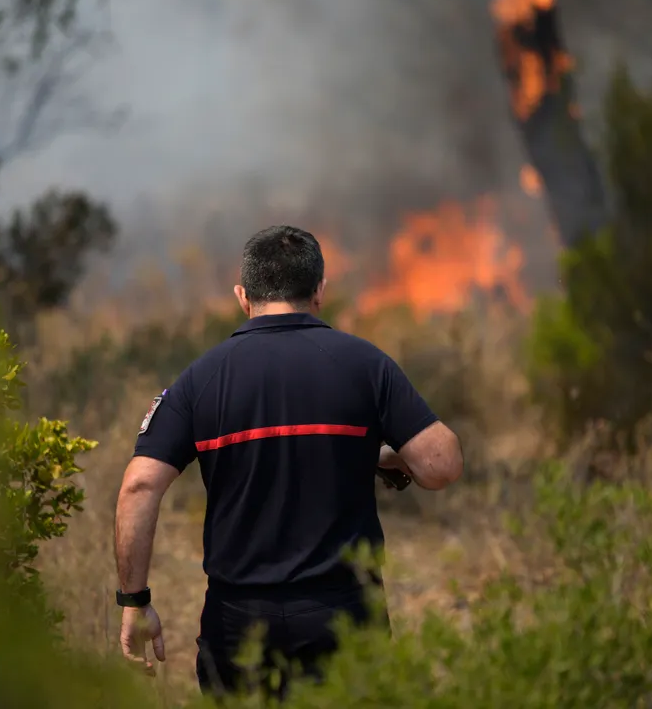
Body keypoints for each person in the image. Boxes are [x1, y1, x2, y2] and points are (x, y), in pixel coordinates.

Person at [113, 225, 464, 701]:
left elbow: (139, 487)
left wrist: (135, 601)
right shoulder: (366, 365)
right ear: (319, 291)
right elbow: (441, 465)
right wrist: (378, 453)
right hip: (343, 617)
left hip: (238, 623)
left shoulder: (202, 378)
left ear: (243, 295)